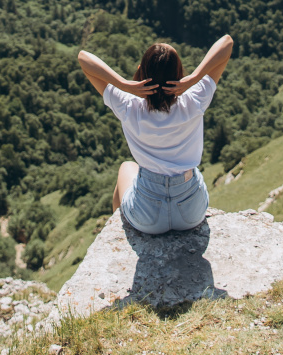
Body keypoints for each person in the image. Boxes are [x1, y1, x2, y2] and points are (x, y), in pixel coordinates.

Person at [77, 32, 234, 235]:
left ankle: (118, 234)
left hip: (147, 217)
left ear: (142, 73)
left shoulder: (127, 105)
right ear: (179, 74)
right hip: (191, 213)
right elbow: (227, 43)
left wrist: (124, 84)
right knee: (195, 177)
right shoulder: (194, 100)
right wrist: (193, 78)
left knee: (126, 167)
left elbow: (83, 57)